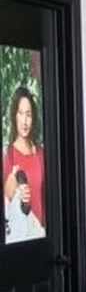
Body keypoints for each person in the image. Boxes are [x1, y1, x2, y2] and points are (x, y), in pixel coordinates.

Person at [3, 85, 45, 240]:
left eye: (28, 114)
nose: (24, 120)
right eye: (20, 113)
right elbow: (5, 203)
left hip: (41, 234)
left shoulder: (41, 154)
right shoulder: (8, 156)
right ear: (14, 116)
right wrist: (11, 190)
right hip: (20, 238)